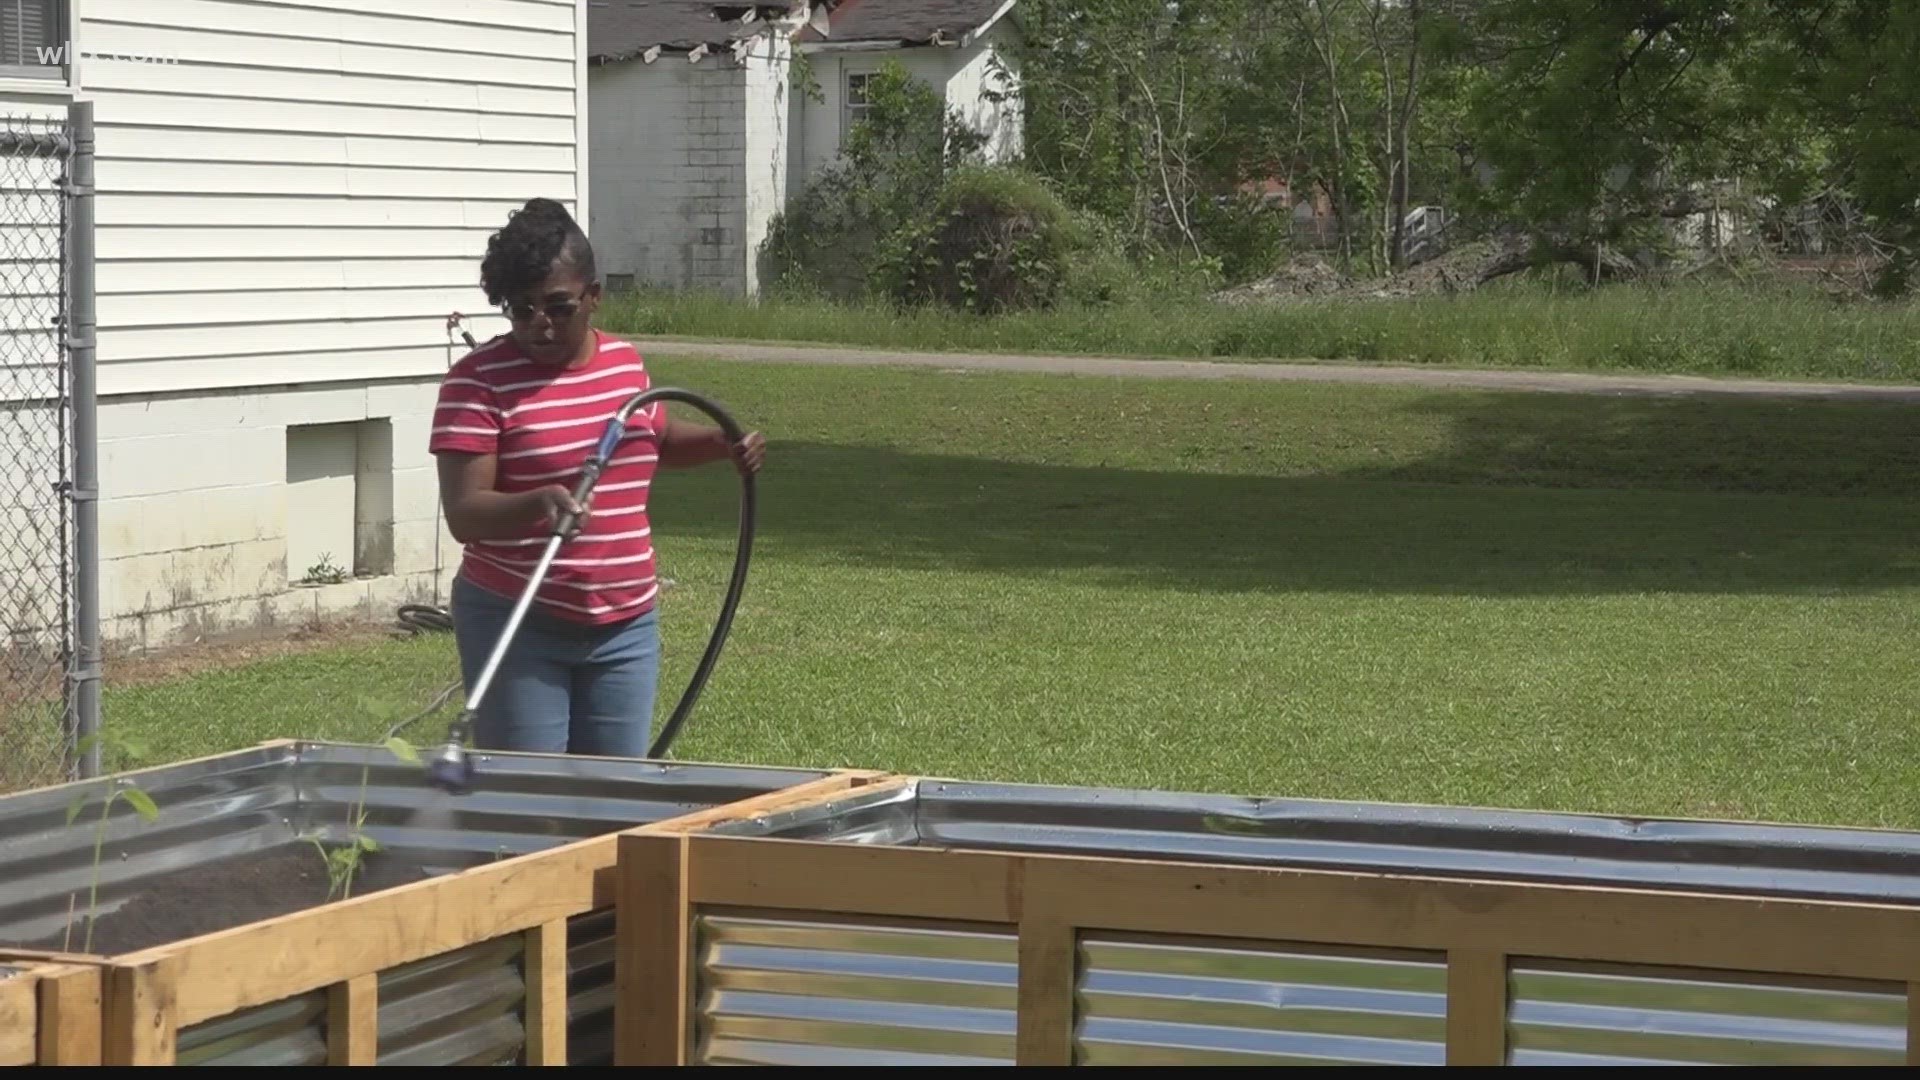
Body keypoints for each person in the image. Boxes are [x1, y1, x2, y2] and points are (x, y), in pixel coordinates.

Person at [428, 197, 765, 757]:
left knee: (612, 801)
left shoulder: (624, 364)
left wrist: (720, 446)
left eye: (558, 307)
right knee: (530, 807)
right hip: (519, 620)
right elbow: (466, 514)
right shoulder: (477, 382)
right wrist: (538, 503)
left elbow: (649, 440)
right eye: (521, 309)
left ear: (594, 297)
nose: (540, 324)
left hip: (625, 626)